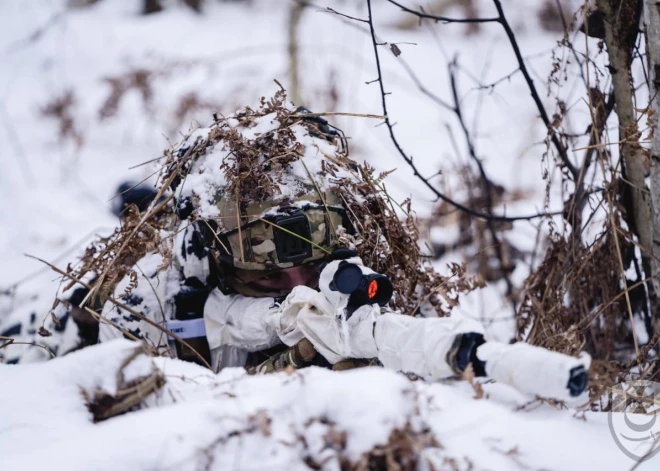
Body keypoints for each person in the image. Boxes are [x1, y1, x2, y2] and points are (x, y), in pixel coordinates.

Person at [0, 95, 589, 401]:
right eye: (266, 276)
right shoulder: (150, 294)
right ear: (214, 264)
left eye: (310, 263)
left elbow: (411, 340)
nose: (296, 285)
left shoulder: (344, 274)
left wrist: (313, 349)